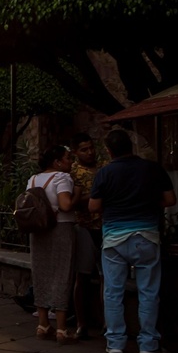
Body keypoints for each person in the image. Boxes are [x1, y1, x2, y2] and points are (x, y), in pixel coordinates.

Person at [89, 129, 175, 353]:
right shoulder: (153, 168)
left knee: (113, 292)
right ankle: (148, 344)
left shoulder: (104, 173)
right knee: (149, 291)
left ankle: (115, 342)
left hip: (114, 239)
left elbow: (94, 206)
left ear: (109, 151)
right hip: (146, 237)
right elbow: (170, 200)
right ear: (131, 147)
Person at [26, 145, 80, 345]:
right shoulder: (62, 178)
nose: (71, 162)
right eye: (68, 158)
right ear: (57, 162)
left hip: (38, 230)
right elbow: (65, 205)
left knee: (41, 273)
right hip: (60, 229)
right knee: (62, 273)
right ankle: (62, 329)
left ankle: (42, 325)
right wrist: (77, 194)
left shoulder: (33, 179)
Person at [70, 133, 104, 339]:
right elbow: (70, 202)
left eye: (91, 148)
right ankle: (81, 323)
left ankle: (106, 323)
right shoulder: (72, 172)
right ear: (76, 152)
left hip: (105, 226)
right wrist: (93, 198)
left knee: (106, 277)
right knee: (82, 277)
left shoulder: (104, 166)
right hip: (84, 226)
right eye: (84, 149)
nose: (90, 152)